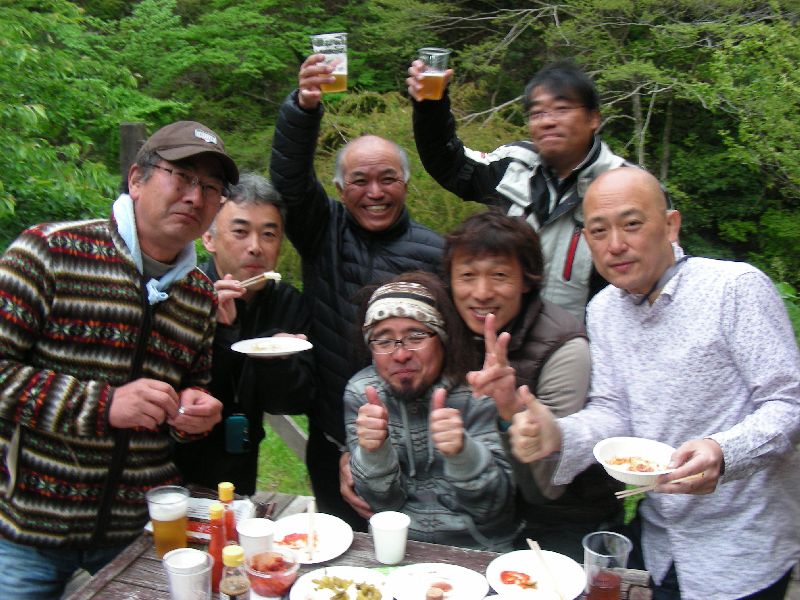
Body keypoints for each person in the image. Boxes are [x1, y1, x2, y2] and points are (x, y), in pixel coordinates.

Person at [509, 168, 800, 599]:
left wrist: (723, 452)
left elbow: (788, 403)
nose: (615, 245)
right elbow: (613, 410)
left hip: (744, 547)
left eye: (631, 224)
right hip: (661, 541)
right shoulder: (604, 309)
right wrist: (558, 433)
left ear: (670, 225)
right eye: (599, 231)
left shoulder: (734, 288)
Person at [0, 120, 235, 596]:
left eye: (211, 188)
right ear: (136, 180)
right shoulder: (50, 251)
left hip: (140, 531)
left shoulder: (198, 295)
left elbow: (191, 388)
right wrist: (104, 404)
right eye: (182, 177)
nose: (195, 197)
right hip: (30, 529)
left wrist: (194, 414)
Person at [269, 53, 443, 528]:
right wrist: (303, 108)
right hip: (331, 439)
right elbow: (289, 180)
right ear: (340, 188)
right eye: (359, 181)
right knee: (340, 551)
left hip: (414, 445)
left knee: (414, 552)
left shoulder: (436, 253)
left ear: (406, 183)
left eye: (388, 179)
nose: (375, 192)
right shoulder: (321, 230)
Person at [442, 210, 621, 561]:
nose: (481, 292)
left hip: (563, 520)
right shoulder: (451, 327)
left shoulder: (564, 348)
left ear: (527, 280)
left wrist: (511, 410)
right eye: (467, 275)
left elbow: (548, 486)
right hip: (486, 506)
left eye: (499, 275)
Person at [409, 60, 634, 322]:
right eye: (537, 113)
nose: (547, 121)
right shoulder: (515, 164)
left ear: (594, 117)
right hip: (506, 337)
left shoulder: (628, 185)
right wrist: (430, 106)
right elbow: (450, 164)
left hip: (583, 343)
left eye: (561, 109)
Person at [344, 272, 516, 551]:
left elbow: (492, 508)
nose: (401, 354)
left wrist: (462, 454)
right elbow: (380, 505)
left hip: (478, 550)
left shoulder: (477, 390)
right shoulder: (361, 394)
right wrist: (374, 453)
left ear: (443, 339)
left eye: (416, 336)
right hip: (396, 548)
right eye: (383, 341)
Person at [173, 173, 314, 495]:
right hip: (173, 466)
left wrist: (275, 359)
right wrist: (220, 332)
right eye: (240, 232)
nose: (255, 247)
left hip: (242, 462)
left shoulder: (286, 303)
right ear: (209, 239)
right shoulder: (182, 295)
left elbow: (293, 401)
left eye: (269, 234)